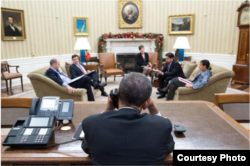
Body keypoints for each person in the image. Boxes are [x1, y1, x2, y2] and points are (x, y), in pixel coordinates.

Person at [81, 73, 175, 165]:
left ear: (117, 94)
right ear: (147, 102)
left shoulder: (91, 123)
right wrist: (153, 108)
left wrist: (108, 109)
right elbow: (168, 147)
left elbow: (87, 148)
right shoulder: (163, 125)